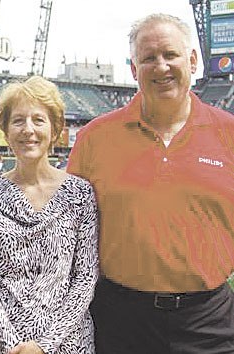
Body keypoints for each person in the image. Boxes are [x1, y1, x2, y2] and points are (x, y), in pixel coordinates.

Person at [67, 13, 234, 354]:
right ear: (133, 69)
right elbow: (69, 229)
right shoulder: (95, 137)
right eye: (148, 58)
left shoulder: (228, 133)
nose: (161, 67)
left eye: (170, 55)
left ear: (192, 60)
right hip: (120, 318)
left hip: (207, 319)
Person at [0, 76, 99, 354]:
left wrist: (43, 345)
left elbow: (85, 277)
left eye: (39, 120)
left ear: (55, 130)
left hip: (66, 343)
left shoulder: (81, 193)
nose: (28, 130)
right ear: (5, 131)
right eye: (18, 121)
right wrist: (13, 344)